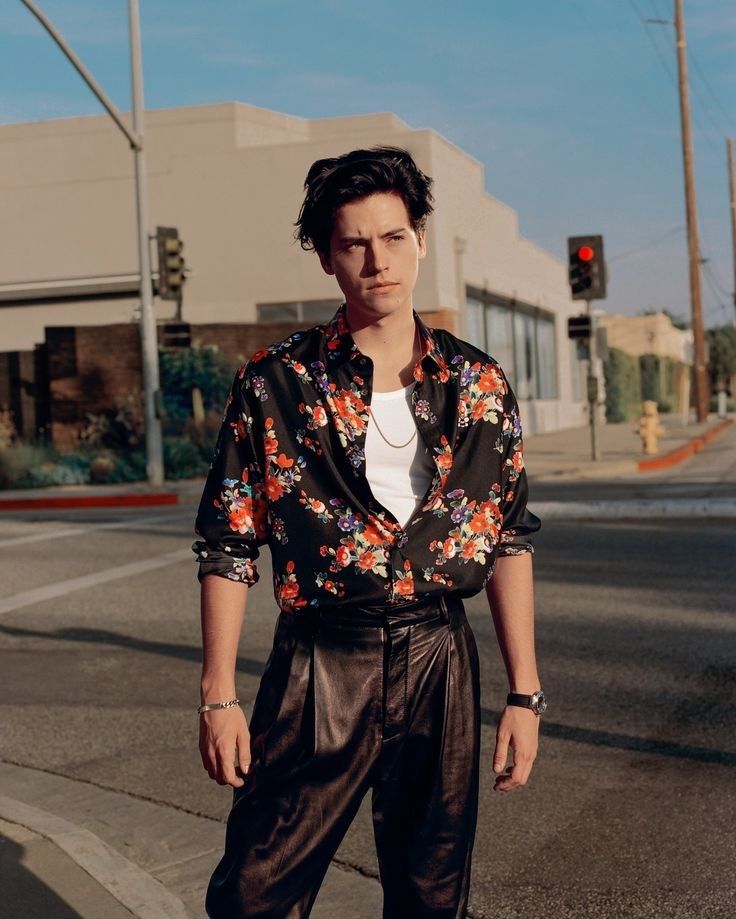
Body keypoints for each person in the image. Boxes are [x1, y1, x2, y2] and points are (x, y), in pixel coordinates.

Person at [192, 145, 544, 918]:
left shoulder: (479, 385)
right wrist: (218, 695)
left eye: (392, 238)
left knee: (430, 891)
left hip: (438, 656)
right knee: (255, 891)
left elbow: (508, 536)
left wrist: (526, 692)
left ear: (418, 240)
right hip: (323, 654)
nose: (376, 261)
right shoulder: (277, 382)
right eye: (353, 243)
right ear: (327, 258)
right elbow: (227, 541)